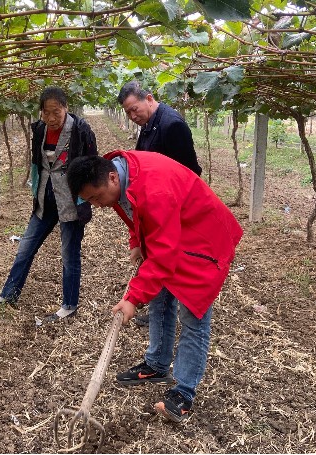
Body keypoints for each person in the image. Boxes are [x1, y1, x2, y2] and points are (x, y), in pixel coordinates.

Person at [66, 151, 242, 423]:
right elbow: (135, 211)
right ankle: (157, 365)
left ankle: (183, 394)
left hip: (204, 243)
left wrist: (133, 298)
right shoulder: (123, 175)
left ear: (112, 177)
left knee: (193, 317)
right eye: (89, 200)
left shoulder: (154, 189)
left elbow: (163, 254)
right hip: (177, 233)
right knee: (160, 297)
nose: (97, 205)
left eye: (96, 197)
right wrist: (137, 239)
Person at [0, 87, 97, 322]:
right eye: (46, 112)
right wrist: (35, 187)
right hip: (45, 199)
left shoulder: (81, 130)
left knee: (69, 254)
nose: (51, 118)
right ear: (41, 112)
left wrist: (85, 197)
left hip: (71, 201)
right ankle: (8, 294)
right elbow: (38, 163)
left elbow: (92, 165)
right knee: (26, 247)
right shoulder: (40, 129)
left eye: (56, 112)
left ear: (66, 108)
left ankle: (69, 305)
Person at [117, 80, 202, 326]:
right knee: (161, 261)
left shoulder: (172, 125)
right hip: (161, 206)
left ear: (149, 98)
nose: (133, 115)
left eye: (135, 108)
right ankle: (160, 312)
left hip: (175, 209)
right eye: (128, 112)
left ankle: (167, 312)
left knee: (170, 260)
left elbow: (188, 172)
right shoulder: (149, 123)